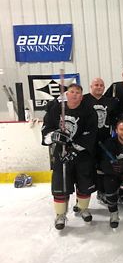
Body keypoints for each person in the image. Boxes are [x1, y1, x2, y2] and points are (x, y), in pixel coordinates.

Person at [41, 84, 98, 230]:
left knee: (84, 183)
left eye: (78, 92)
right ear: (67, 94)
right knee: (60, 184)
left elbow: (91, 134)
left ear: (81, 95)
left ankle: (83, 208)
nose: (74, 95)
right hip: (61, 154)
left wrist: (74, 149)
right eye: (72, 92)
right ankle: (60, 214)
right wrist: (54, 135)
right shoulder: (56, 109)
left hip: (82, 154)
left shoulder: (88, 111)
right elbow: (46, 129)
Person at [82, 77, 117, 204]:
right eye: (96, 85)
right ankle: (81, 199)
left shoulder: (109, 101)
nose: (99, 87)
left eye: (101, 85)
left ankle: (101, 192)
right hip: (87, 142)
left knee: (103, 168)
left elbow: (114, 119)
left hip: (104, 141)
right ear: (91, 86)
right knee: (85, 170)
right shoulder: (83, 99)